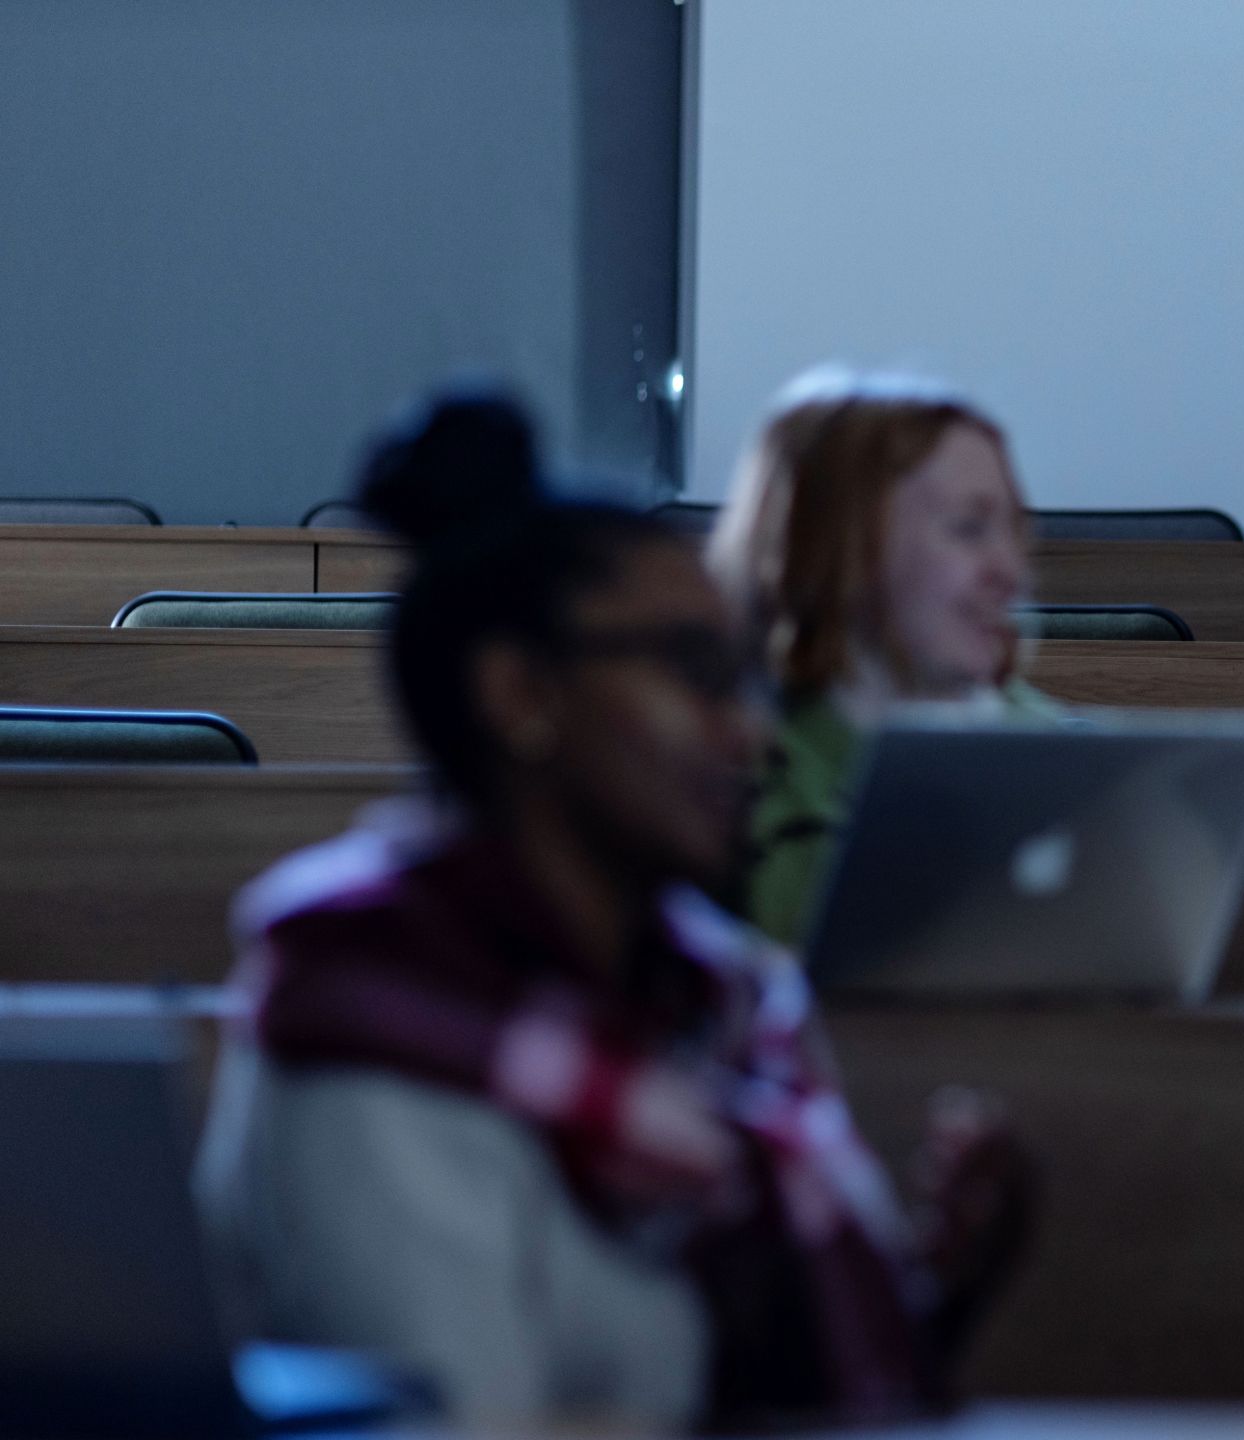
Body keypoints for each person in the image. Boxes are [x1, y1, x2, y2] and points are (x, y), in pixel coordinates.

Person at [195, 390, 1033, 1430]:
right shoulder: (370, 1032)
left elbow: (724, 1380)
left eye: (744, 682)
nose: (752, 735)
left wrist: (922, 1304)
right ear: (520, 695)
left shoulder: (718, 998)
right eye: (695, 674)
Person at [706, 369, 1061, 946]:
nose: (1011, 573)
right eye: (969, 529)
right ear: (838, 543)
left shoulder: (1080, 757)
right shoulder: (725, 788)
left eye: (1015, 533)